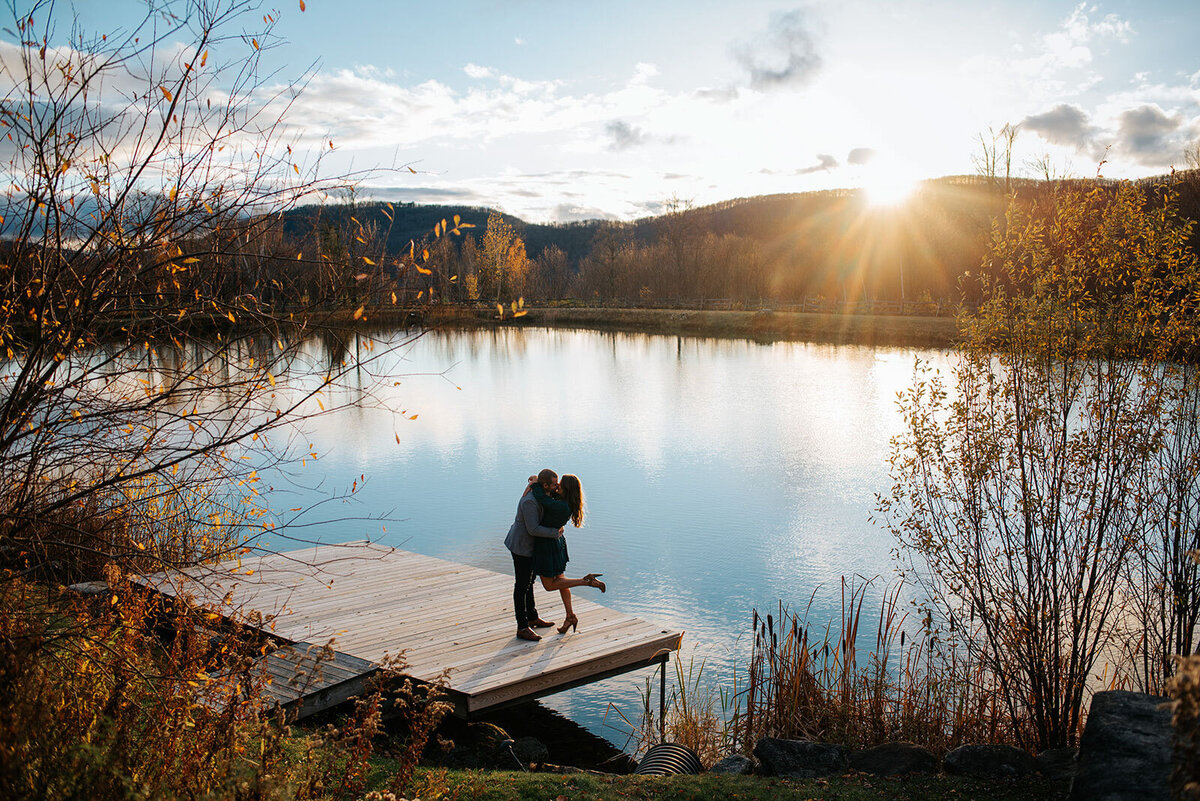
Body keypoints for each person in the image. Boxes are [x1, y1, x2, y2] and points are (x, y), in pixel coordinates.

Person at [525, 473, 605, 634]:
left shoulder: (560, 506)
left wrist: (534, 484)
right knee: (562, 582)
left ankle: (586, 581)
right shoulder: (564, 502)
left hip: (548, 547)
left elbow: (542, 497)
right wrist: (539, 481)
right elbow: (548, 493)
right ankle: (570, 616)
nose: (557, 487)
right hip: (557, 544)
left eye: (560, 485)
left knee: (549, 585)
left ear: (566, 489)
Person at [504, 468, 565, 642]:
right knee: (522, 585)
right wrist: (555, 532)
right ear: (545, 485)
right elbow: (533, 529)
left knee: (530, 581)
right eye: (554, 484)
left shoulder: (540, 492)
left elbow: (538, 481)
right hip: (521, 546)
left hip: (530, 547)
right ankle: (522, 627)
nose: (557, 486)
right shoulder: (530, 502)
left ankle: (532, 617)